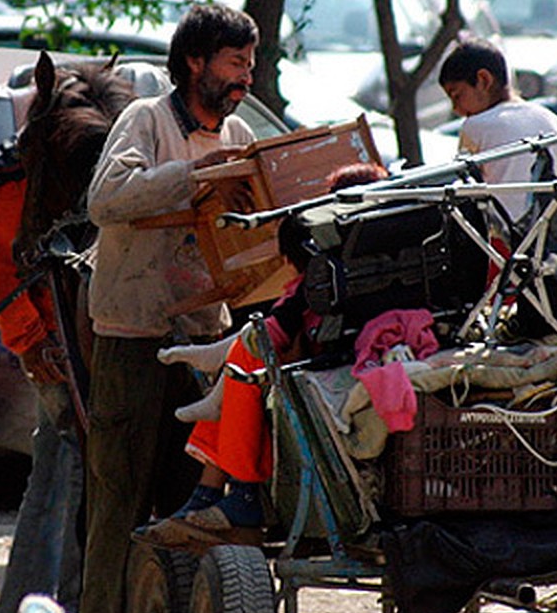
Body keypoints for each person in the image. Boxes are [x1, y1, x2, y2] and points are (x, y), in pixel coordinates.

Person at [80, 3, 260, 613]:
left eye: (250, 63)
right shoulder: (146, 119)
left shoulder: (239, 133)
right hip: (131, 333)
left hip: (203, 340)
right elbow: (107, 199)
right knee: (117, 501)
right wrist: (196, 178)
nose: (245, 74)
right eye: (234, 62)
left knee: (190, 509)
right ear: (194, 62)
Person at [140, 162, 390, 546]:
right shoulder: (381, 258)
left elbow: (284, 329)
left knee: (249, 362)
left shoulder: (340, 269)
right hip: (330, 354)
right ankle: (209, 493)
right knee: (250, 356)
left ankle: (233, 493)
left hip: (329, 366)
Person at [0, 147, 84, 613]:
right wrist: (32, 339)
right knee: (60, 485)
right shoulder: (32, 174)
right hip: (57, 351)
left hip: (87, 343)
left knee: (72, 485)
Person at [438, 38, 557, 236]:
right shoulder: (552, 120)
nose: (457, 109)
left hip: (513, 248)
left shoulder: (476, 126)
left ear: (483, 80)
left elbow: (467, 196)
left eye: (457, 95)